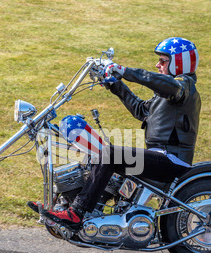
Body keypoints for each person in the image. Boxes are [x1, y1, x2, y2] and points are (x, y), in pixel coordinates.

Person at [35, 37, 202, 231]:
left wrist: (125, 71)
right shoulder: (171, 94)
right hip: (160, 157)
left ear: (179, 63)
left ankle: (77, 212)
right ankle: (73, 203)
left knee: (110, 153)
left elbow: (165, 84)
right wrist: (114, 84)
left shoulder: (183, 87)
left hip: (172, 161)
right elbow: (141, 110)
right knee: (100, 154)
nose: (158, 65)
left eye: (163, 61)